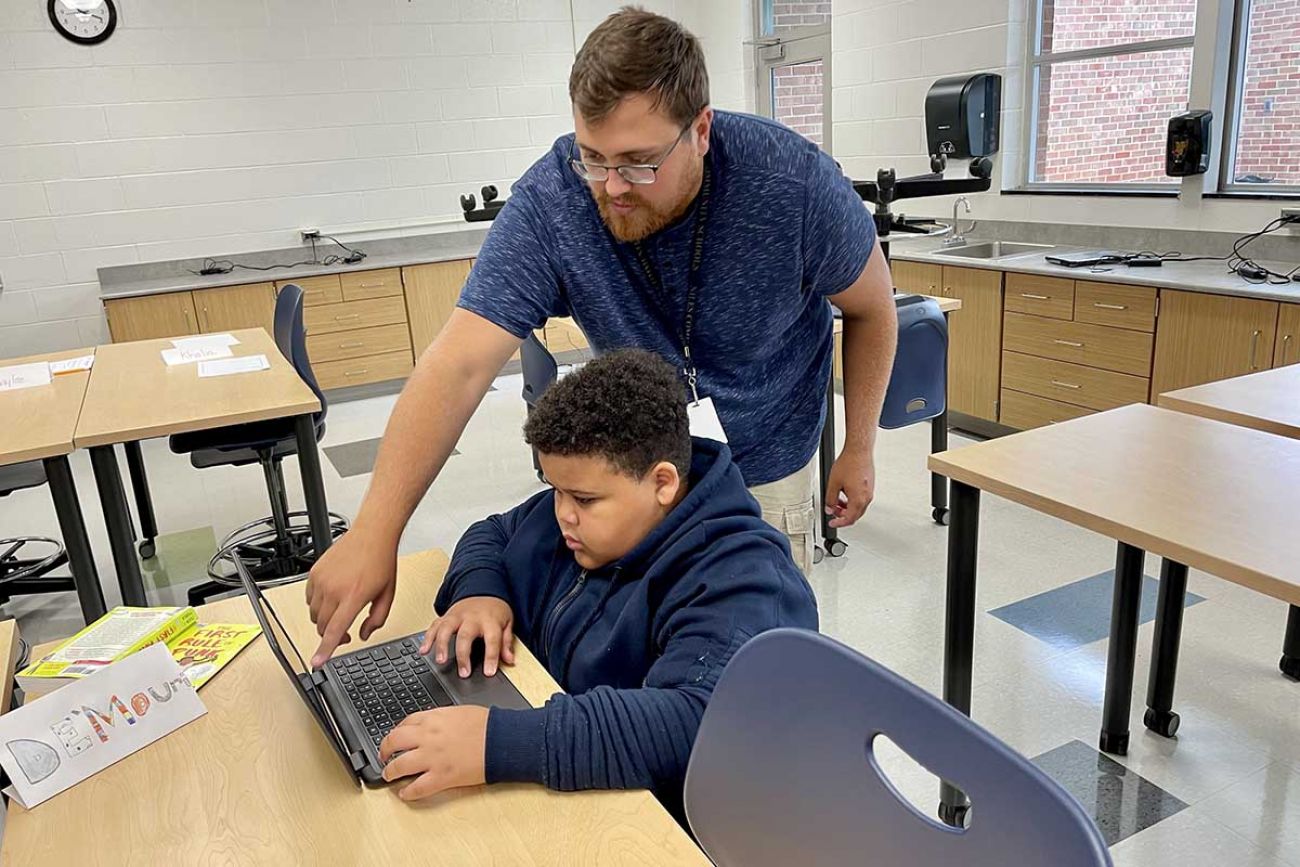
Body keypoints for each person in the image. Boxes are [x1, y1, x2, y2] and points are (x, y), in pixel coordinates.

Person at [306, 6, 894, 667]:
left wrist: (859, 444)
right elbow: (459, 364)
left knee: (753, 670)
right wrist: (374, 530)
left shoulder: (794, 185)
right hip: (638, 472)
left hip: (768, 463)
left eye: (640, 163)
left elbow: (874, 310)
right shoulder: (553, 202)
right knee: (636, 658)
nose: (612, 187)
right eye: (594, 158)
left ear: (700, 130)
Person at [376, 350, 818, 820]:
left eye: (583, 498)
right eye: (555, 490)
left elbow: (697, 723)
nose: (563, 514)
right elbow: (494, 532)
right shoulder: (581, 516)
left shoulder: (744, 581)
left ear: (663, 483)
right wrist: (479, 592)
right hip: (566, 768)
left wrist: (497, 744)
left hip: (657, 820)